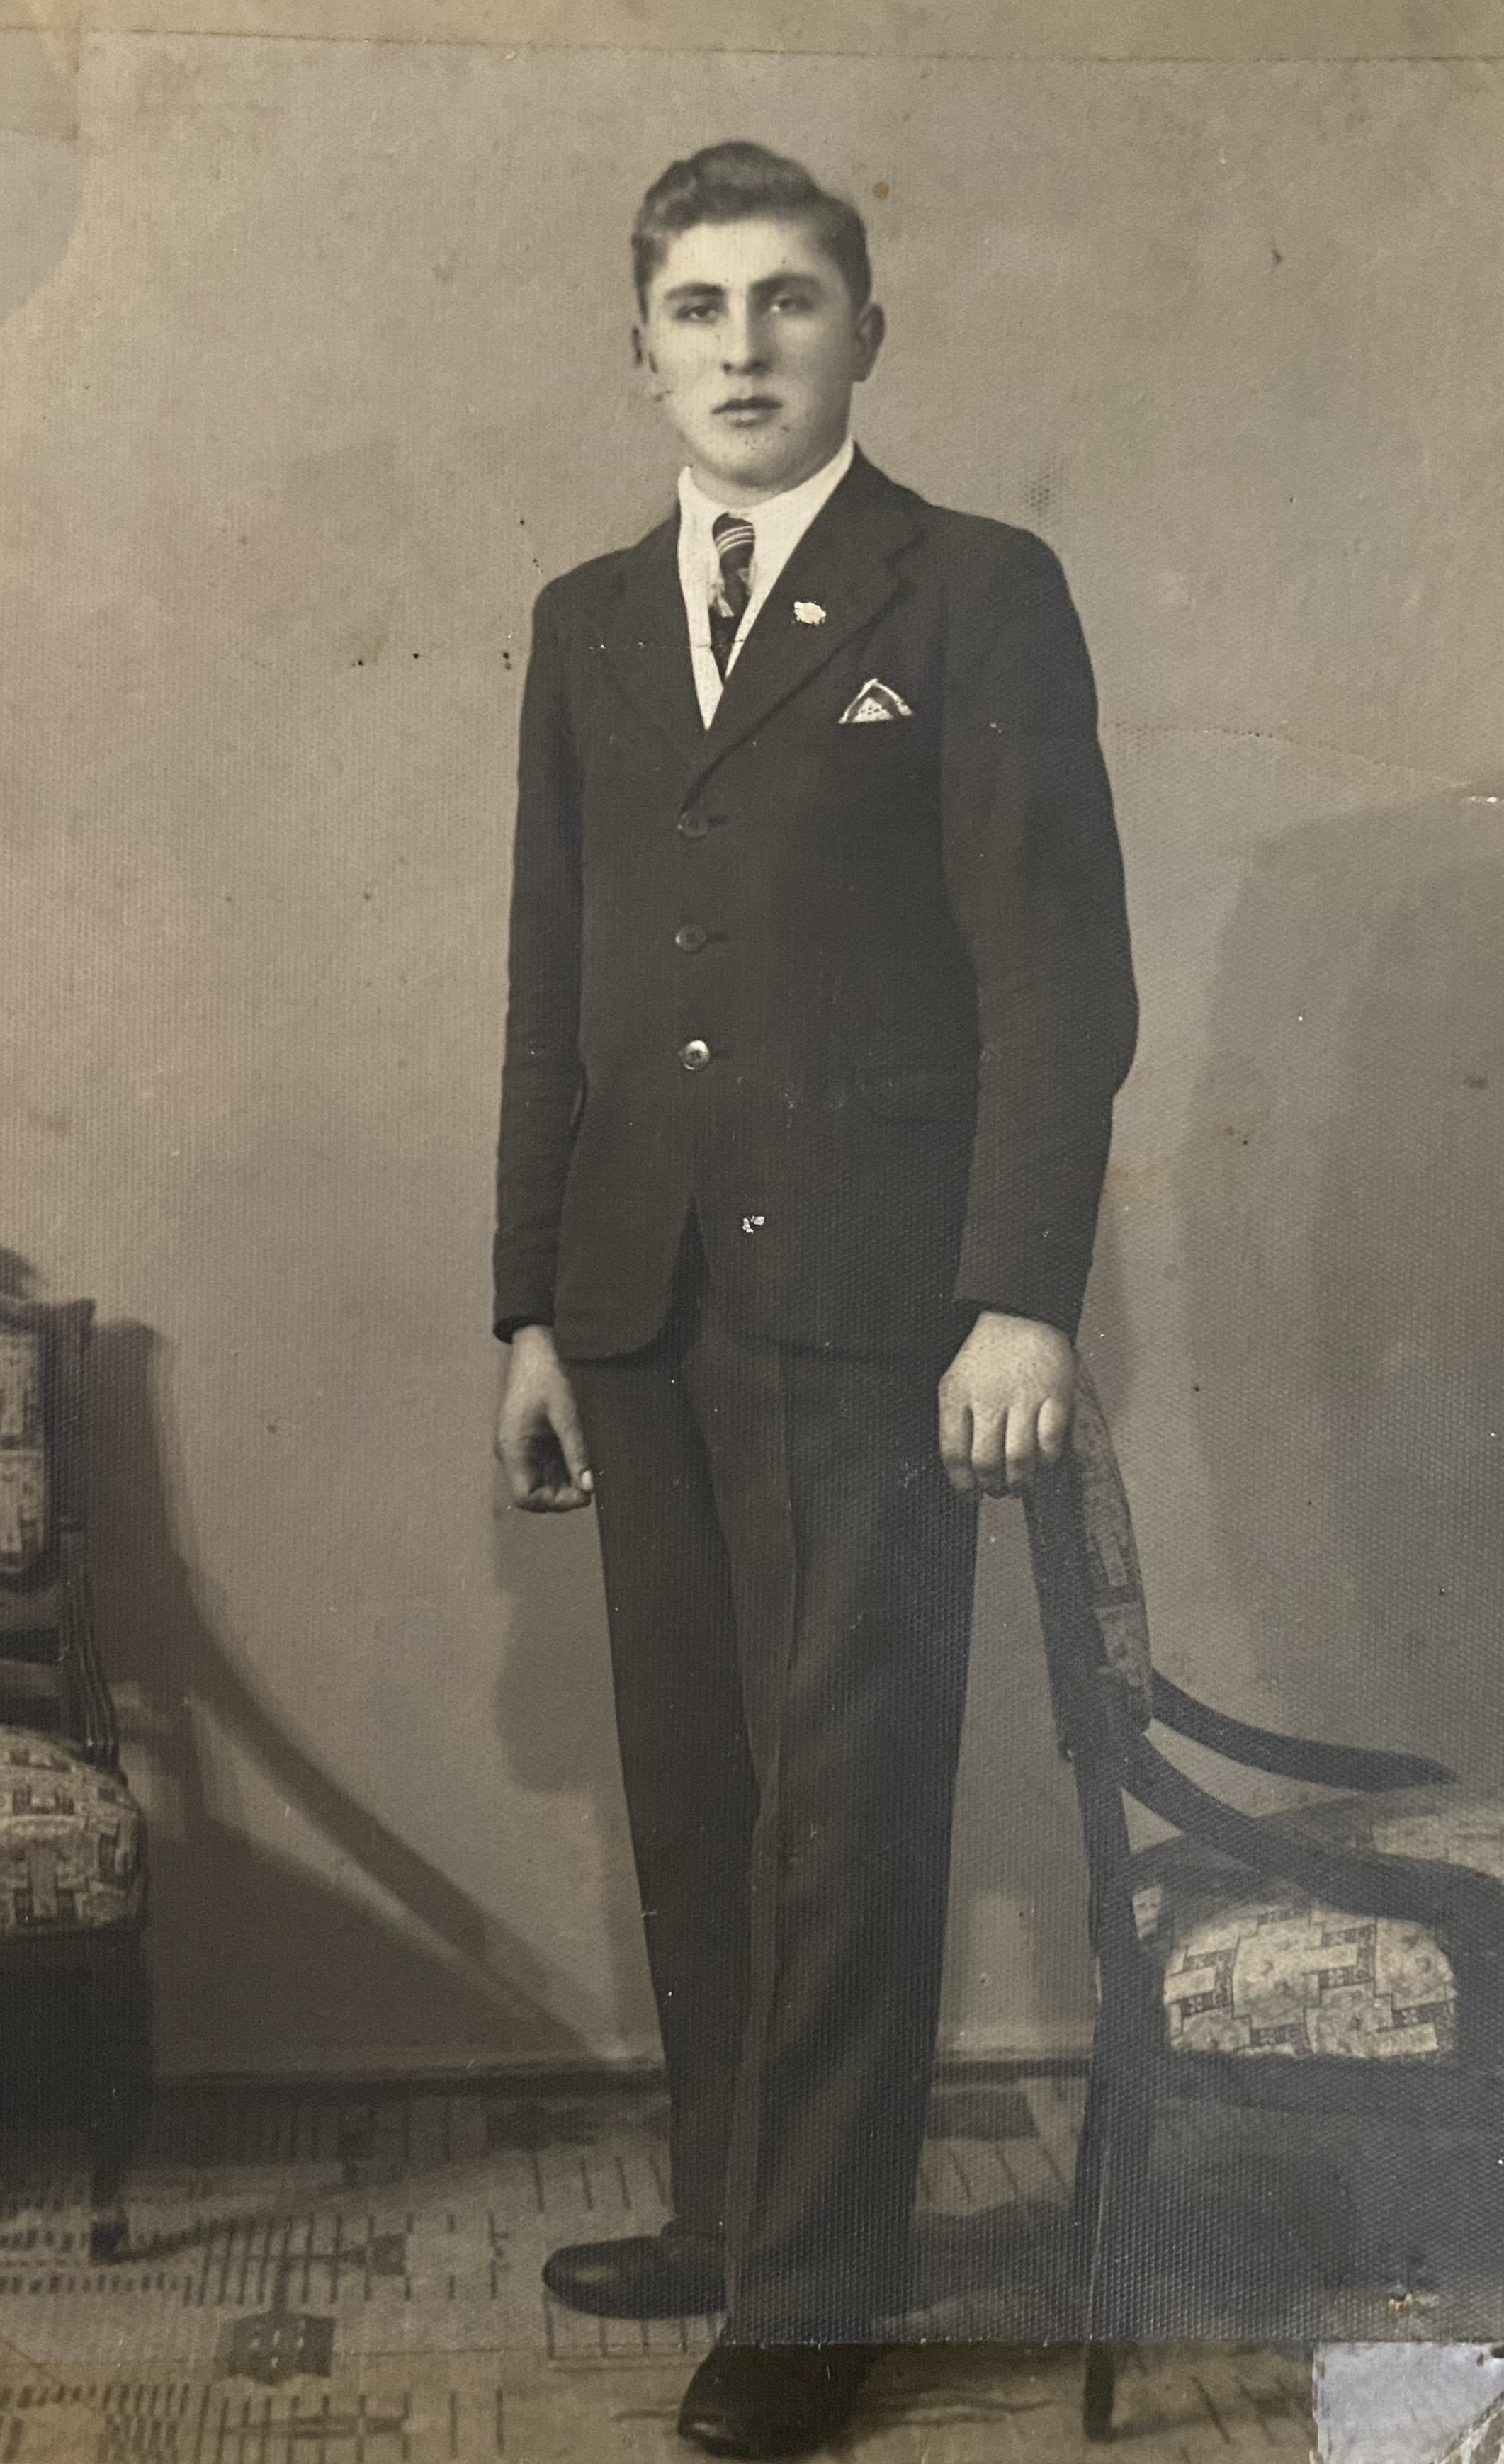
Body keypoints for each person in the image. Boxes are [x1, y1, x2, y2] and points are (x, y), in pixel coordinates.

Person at [492, 141, 1137, 2459]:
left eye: (787, 300)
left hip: (882, 1313)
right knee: (701, 1795)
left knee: (846, 1800)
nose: (743, 346)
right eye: (698, 307)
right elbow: (550, 985)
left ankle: (814, 2302)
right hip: (640, 1304)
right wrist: (529, 1305)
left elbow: (1055, 974)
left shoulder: (973, 591)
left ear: (867, 331)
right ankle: (730, 2215)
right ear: (640, 349)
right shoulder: (584, 617)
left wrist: (1019, 1299)